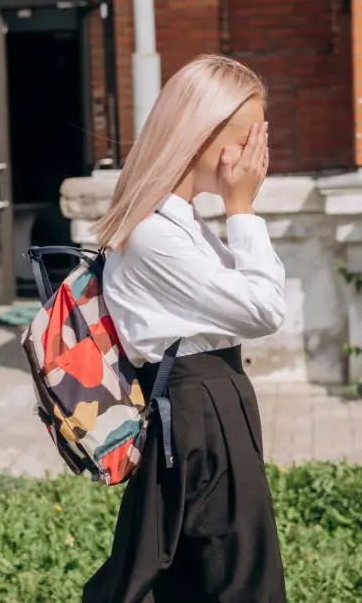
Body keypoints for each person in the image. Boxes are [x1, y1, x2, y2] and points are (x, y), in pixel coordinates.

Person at [83, 54, 286, 603]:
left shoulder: (181, 221)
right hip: (197, 408)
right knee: (236, 579)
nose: (256, 157)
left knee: (187, 573)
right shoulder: (155, 232)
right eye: (250, 139)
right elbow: (265, 308)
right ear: (210, 139)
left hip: (209, 402)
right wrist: (242, 207)